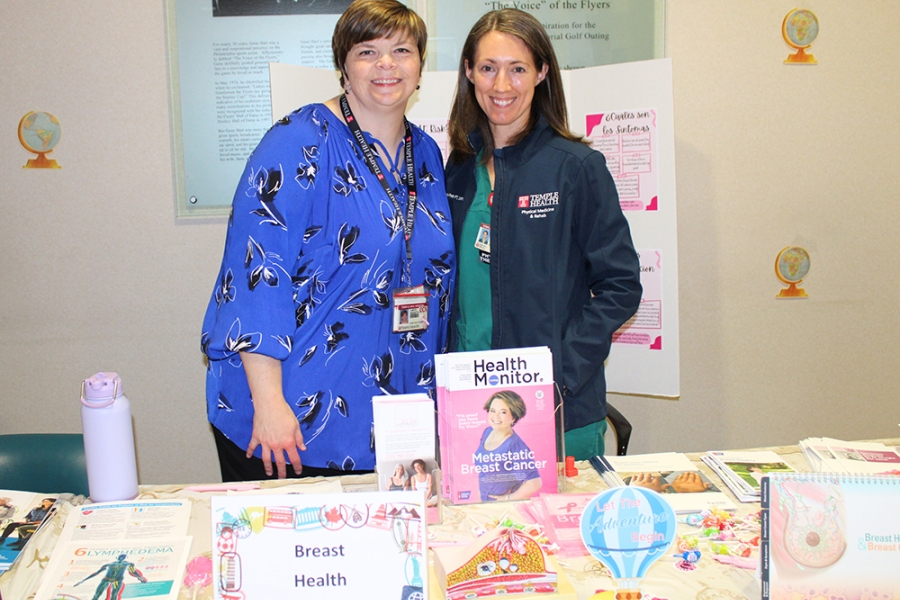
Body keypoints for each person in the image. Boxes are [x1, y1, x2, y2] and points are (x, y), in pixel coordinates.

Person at [202, 0, 455, 481]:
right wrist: (270, 404)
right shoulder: (298, 141)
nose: (386, 64)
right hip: (294, 419)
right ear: (343, 66)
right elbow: (255, 276)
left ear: (420, 67)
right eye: (367, 51)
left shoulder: (423, 152)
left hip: (391, 419)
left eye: (401, 50)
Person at [445, 9, 641, 460]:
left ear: (542, 73)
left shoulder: (575, 168)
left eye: (518, 69)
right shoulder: (455, 170)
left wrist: (560, 374)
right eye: (488, 68)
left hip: (558, 412)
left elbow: (621, 286)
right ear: (469, 73)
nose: (501, 85)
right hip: (470, 409)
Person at [474, 390, 542, 501]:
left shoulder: (515, 446)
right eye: (492, 410)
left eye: (503, 412)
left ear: (513, 417)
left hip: (504, 508)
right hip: (483, 502)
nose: (495, 416)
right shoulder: (488, 431)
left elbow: (535, 483)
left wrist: (507, 499)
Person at [75, 553, 147, 600]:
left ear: (125, 558)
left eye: (123, 557)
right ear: (117, 557)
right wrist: (83, 581)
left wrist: (140, 578)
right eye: (120, 556)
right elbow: (96, 573)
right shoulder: (108, 565)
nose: (121, 558)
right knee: (97, 595)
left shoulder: (128, 564)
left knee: (114, 595)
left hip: (117, 580)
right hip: (106, 580)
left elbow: (133, 571)